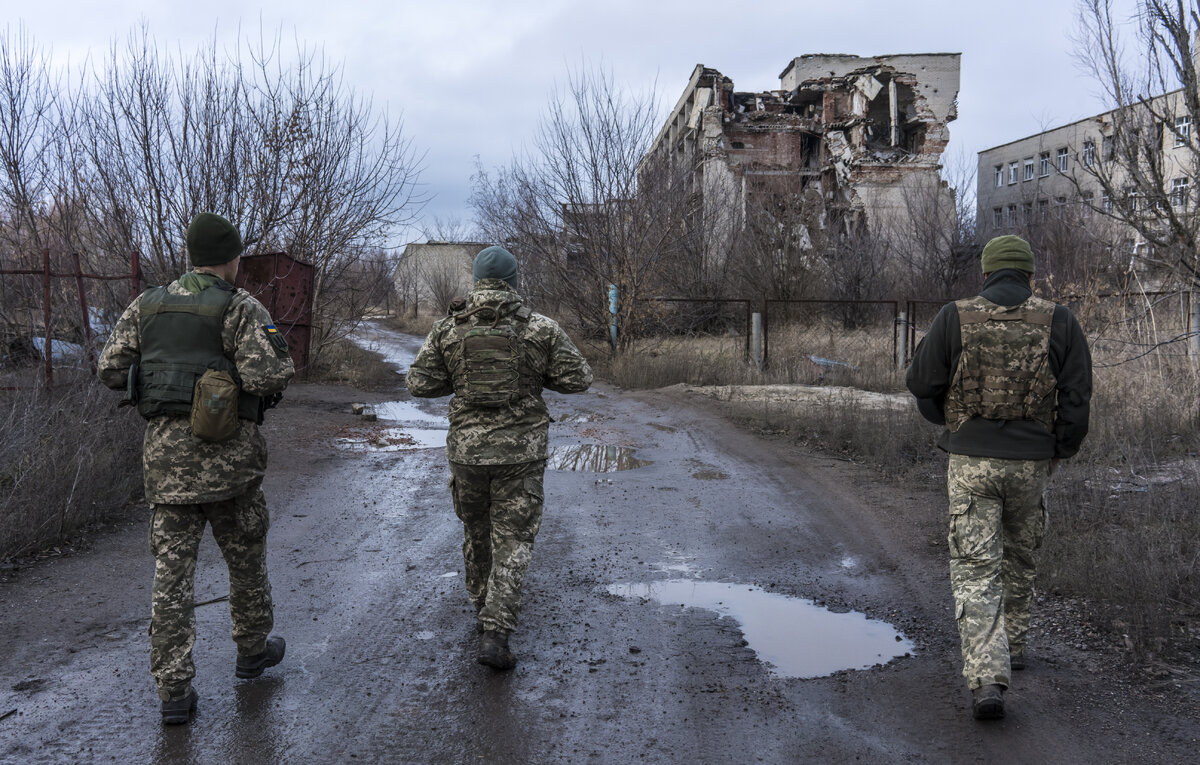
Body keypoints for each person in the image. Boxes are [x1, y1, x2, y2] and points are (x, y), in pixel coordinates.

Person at [98, 212, 295, 724]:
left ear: (190, 255)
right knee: (245, 559)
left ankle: (174, 692)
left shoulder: (148, 304)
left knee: (171, 579)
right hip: (230, 467)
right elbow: (271, 373)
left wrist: (165, 372)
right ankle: (252, 651)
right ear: (231, 259)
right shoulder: (240, 307)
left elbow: (111, 369)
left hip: (167, 468)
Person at [906, 234, 1091, 721]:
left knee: (975, 566)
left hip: (971, 461)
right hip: (1032, 462)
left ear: (985, 274)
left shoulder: (955, 315)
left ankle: (988, 677)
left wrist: (944, 417)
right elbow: (1076, 397)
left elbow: (921, 382)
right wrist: (1061, 448)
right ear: (1030, 276)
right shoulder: (1060, 320)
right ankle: (1016, 644)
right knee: (1020, 553)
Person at [407, 245, 593, 670]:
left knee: (476, 531)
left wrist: (459, 381)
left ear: (476, 283)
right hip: (521, 453)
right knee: (514, 539)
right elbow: (579, 378)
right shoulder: (541, 328)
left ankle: (483, 610)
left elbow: (419, 383)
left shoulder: (448, 329)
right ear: (513, 283)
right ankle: (497, 629)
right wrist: (537, 374)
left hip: (468, 453)